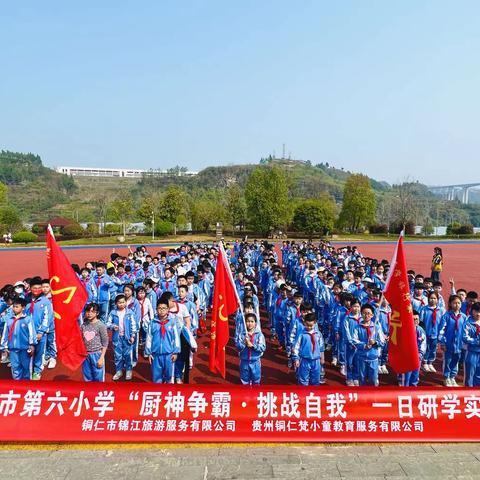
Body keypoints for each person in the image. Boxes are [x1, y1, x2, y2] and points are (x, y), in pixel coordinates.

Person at [145, 297, 181, 383]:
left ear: (168, 309)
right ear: (156, 309)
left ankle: (168, 393)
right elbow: (149, 338)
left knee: (169, 376)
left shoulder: (172, 322)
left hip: (169, 354)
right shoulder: (152, 323)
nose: (161, 310)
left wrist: (175, 352)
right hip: (156, 354)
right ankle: (158, 393)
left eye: (164, 308)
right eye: (159, 308)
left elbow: (176, 338)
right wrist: (148, 353)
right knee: (156, 376)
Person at [0, 297, 36, 379]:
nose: (14, 308)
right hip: (13, 349)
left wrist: (32, 345)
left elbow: (32, 333)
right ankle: (18, 386)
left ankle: (27, 387)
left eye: (17, 307)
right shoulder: (9, 320)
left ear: (23, 307)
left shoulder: (27, 319)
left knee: (26, 368)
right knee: (15, 369)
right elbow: (5, 334)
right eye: (14, 306)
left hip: (25, 349)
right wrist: (4, 347)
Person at [25, 277, 54, 380]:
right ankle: (26, 371)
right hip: (27, 333)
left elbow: (47, 318)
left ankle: (37, 371)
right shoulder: (26, 299)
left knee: (39, 353)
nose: (37, 290)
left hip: (40, 333)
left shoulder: (45, 301)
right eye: (34, 288)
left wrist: (41, 332)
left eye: (39, 288)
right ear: (30, 288)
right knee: (27, 352)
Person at [352, 304, 385, 386]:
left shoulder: (376, 327)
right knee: (362, 380)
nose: (366, 315)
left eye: (368, 313)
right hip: (361, 357)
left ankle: (373, 397)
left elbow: (382, 341)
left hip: (373, 358)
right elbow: (354, 340)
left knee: (373, 380)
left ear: (372, 315)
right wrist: (364, 345)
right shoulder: (357, 327)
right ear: (361, 314)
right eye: (364, 313)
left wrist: (375, 342)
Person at [107, 294, 137, 381]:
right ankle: (119, 371)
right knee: (118, 355)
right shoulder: (113, 313)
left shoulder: (129, 312)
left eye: (123, 302)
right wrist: (112, 326)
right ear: (116, 303)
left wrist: (133, 336)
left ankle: (128, 370)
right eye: (119, 302)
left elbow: (133, 325)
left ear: (126, 303)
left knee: (127, 355)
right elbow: (107, 323)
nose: (121, 304)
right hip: (117, 338)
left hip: (127, 337)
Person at [438, 295, 467, 387]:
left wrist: (465, 342)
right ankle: (446, 377)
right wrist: (442, 343)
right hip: (448, 344)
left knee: (456, 360)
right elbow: (441, 330)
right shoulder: (446, 316)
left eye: (459, 303)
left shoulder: (463, 317)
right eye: (454, 303)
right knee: (447, 361)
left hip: (459, 344)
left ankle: (452, 377)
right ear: (450, 304)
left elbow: (466, 330)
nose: (457, 305)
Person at [292, 312, 325, 386]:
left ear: (315, 323)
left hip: (316, 360)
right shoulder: (301, 334)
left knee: (316, 379)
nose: (309, 327)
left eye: (311, 325)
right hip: (304, 359)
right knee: (303, 379)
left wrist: (322, 358)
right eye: (307, 325)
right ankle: (303, 394)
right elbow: (296, 347)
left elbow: (321, 347)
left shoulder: (318, 334)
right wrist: (296, 358)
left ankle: (314, 394)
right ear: (304, 323)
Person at [235, 313, 266, 385]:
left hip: (255, 361)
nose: (250, 323)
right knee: (244, 379)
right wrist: (244, 342)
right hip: (244, 361)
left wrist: (253, 346)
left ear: (255, 323)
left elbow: (263, 347)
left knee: (256, 379)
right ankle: (246, 393)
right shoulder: (242, 334)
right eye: (248, 321)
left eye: (252, 321)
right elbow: (238, 347)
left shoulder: (259, 335)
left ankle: (255, 393)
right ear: (245, 323)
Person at [80, 303, 108, 381]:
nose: (89, 314)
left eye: (92, 311)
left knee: (98, 377)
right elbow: (81, 340)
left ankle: (98, 392)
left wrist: (101, 357)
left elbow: (105, 342)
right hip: (86, 355)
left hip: (97, 354)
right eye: (88, 311)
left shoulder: (101, 325)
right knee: (87, 377)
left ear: (97, 313)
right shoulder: (83, 325)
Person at [399, 310, 426, 386]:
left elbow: (423, 344)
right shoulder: (403, 330)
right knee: (406, 376)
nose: (415, 321)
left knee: (415, 375)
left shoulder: (420, 330)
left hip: (417, 358)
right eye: (413, 319)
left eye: (417, 319)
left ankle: (413, 388)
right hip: (407, 358)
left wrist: (420, 354)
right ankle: (405, 389)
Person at [420, 291, 443, 373]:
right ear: (428, 299)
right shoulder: (424, 309)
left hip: (436, 334)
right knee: (426, 348)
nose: (432, 300)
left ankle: (430, 362)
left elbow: (442, 323)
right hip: (426, 333)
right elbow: (421, 322)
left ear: (437, 299)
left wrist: (441, 334)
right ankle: (424, 362)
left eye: (434, 298)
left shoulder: (441, 310)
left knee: (433, 349)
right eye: (431, 298)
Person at [462, 302, 480, 387]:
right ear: (471, 311)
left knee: (478, 375)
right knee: (469, 375)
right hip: (471, 352)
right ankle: (468, 395)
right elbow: (465, 337)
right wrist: (476, 341)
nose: (478, 314)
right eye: (476, 311)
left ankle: (477, 394)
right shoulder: (467, 324)